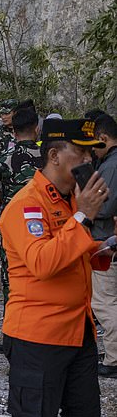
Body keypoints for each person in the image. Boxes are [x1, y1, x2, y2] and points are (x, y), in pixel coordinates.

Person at [0, 118, 113, 417]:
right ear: (54, 155)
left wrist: (102, 247)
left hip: (78, 330)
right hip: (37, 336)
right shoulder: (26, 204)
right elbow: (45, 262)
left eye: (91, 154)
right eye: (80, 154)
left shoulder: (68, 202)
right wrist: (84, 217)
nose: (88, 161)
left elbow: (73, 255)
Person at [0, 101, 42, 308]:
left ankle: (13, 333)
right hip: (44, 227)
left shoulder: (1, 161)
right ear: (37, 129)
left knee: (12, 280)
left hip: (12, 228)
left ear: (13, 131)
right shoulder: (52, 159)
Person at [91, 113, 117, 378]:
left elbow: (105, 205)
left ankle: (113, 359)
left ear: (104, 138)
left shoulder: (111, 166)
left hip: (106, 241)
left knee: (104, 303)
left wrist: (83, 206)